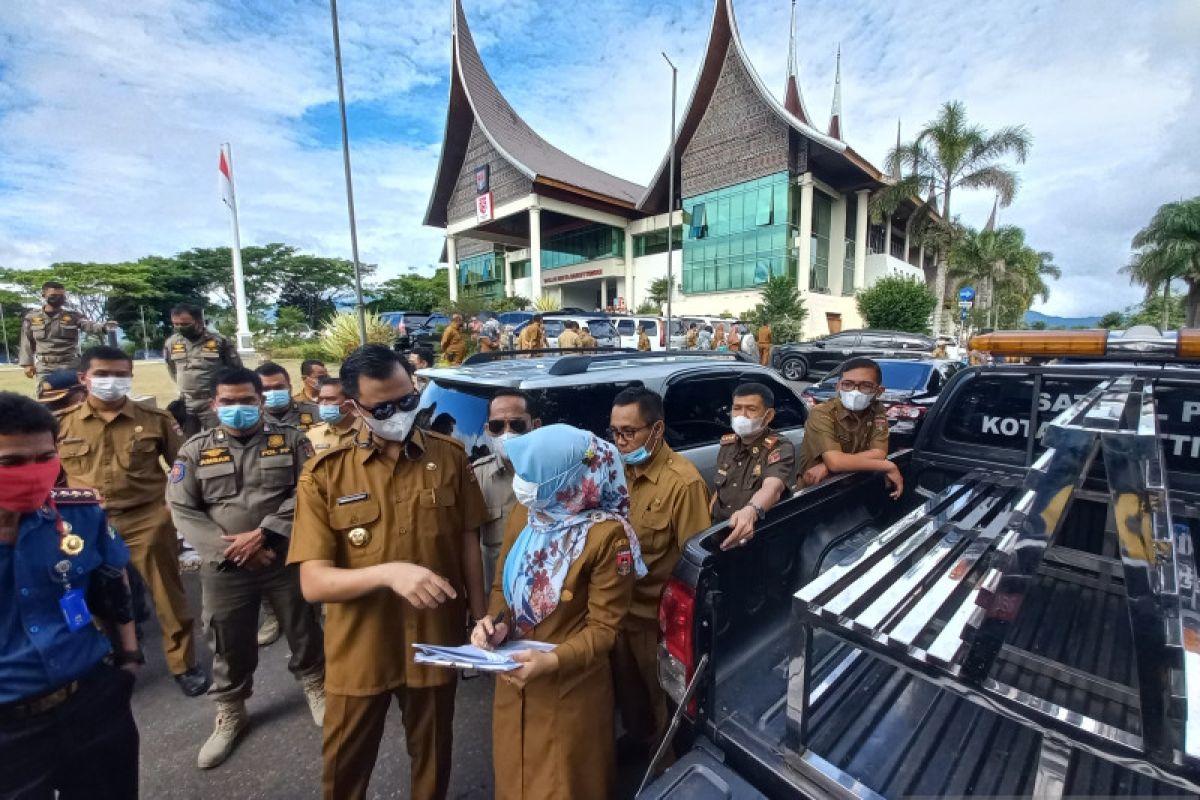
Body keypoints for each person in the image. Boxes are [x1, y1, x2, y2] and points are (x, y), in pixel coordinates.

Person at [289, 345, 488, 800]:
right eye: (384, 407)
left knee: (434, 759)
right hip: (361, 647)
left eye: (406, 400)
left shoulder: (450, 457)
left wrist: (479, 618)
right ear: (353, 408)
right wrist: (388, 573)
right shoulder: (325, 475)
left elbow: (467, 544)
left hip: (434, 639)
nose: (400, 413)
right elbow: (314, 582)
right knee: (345, 767)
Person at [471, 424, 642, 800]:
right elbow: (502, 585)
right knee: (514, 780)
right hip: (513, 677)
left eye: (532, 475)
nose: (522, 483)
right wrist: (494, 623)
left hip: (569, 689)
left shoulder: (606, 536)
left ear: (566, 478)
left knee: (565, 784)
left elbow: (605, 629)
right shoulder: (529, 514)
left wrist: (552, 662)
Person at [166, 366, 326, 769]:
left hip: (283, 555)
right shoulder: (195, 449)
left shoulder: (291, 441)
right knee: (226, 638)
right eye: (229, 401)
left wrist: (265, 534)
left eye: (246, 400)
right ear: (214, 404)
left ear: (260, 401)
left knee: (303, 626)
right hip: (224, 567)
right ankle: (231, 711)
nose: (238, 408)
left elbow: (309, 491)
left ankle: (316, 685)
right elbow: (183, 509)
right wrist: (233, 550)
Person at [0, 391, 141, 799]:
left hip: (90, 702)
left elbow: (114, 581)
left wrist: (129, 659)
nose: (33, 472)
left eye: (44, 458)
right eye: (11, 463)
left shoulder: (80, 513)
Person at [56, 346, 209, 697]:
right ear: (84, 379)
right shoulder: (63, 424)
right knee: (90, 595)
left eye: (120, 374)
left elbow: (183, 469)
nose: (112, 381)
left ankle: (183, 664)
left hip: (147, 517)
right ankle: (113, 657)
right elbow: (53, 475)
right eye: (103, 374)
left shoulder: (155, 419)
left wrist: (172, 509)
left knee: (167, 595)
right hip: (86, 522)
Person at [607, 388, 710, 758]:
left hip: (655, 624)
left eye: (629, 432)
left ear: (657, 429)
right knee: (629, 698)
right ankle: (639, 740)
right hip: (616, 613)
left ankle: (665, 769)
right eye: (614, 432)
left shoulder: (682, 483)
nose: (620, 442)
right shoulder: (614, 471)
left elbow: (695, 566)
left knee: (662, 704)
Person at [795, 358, 903, 498]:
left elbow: (879, 453)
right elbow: (835, 462)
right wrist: (888, 466)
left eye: (865, 386)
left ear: (878, 391)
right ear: (838, 387)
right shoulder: (822, 412)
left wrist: (829, 466)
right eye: (848, 384)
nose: (855, 391)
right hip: (815, 492)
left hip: (852, 487)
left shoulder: (877, 410)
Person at [711, 382, 794, 549]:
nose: (742, 415)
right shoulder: (728, 444)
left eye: (751, 409)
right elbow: (720, 488)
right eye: (737, 408)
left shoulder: (779, 447)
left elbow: (773, 488)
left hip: (757, 537)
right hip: (722, 531)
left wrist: (751, 511)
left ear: (768, 415)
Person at [474, 390, 541, 596]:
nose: (507, 432)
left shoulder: (557, 473)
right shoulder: (476, 477)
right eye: (497, 426)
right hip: (498, 601)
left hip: (548, 601)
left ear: (535, 426)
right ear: (487, 430)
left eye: (517, 424)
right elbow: (468, 547)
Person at [164, 303, 242, 435]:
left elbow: (236, 370)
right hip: (186, 403)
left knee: (220, 438)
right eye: (175, 324)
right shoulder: (172, 343)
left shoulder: (219, 341)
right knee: (187, 443)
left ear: (199, 321)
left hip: (211, 402)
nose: (179, 328)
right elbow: (172, 369)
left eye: (184, 324)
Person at [18, 281, 116, 381]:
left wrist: (103, 326)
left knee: (78, 393)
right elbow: (26, 341)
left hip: (70, 364)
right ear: (44, 295)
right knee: (45, 394)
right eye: (53, 295)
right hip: (45, 367)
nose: (58, 298)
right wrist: (27, 364)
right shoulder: (31, 318)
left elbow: (88, 325)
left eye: (61, 296)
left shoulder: (73, 316)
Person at [305, 377, 361, 453]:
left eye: (330, 399)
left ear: (349, 402)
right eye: (321, 399)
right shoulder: (313, 434)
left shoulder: (368, 431)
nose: (323, 404)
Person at [256, 361, 315, 431]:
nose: (273, 392)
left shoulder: (315, 413)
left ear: (290, 388)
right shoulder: (250, 419)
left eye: (279, 387)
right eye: (266, 389)